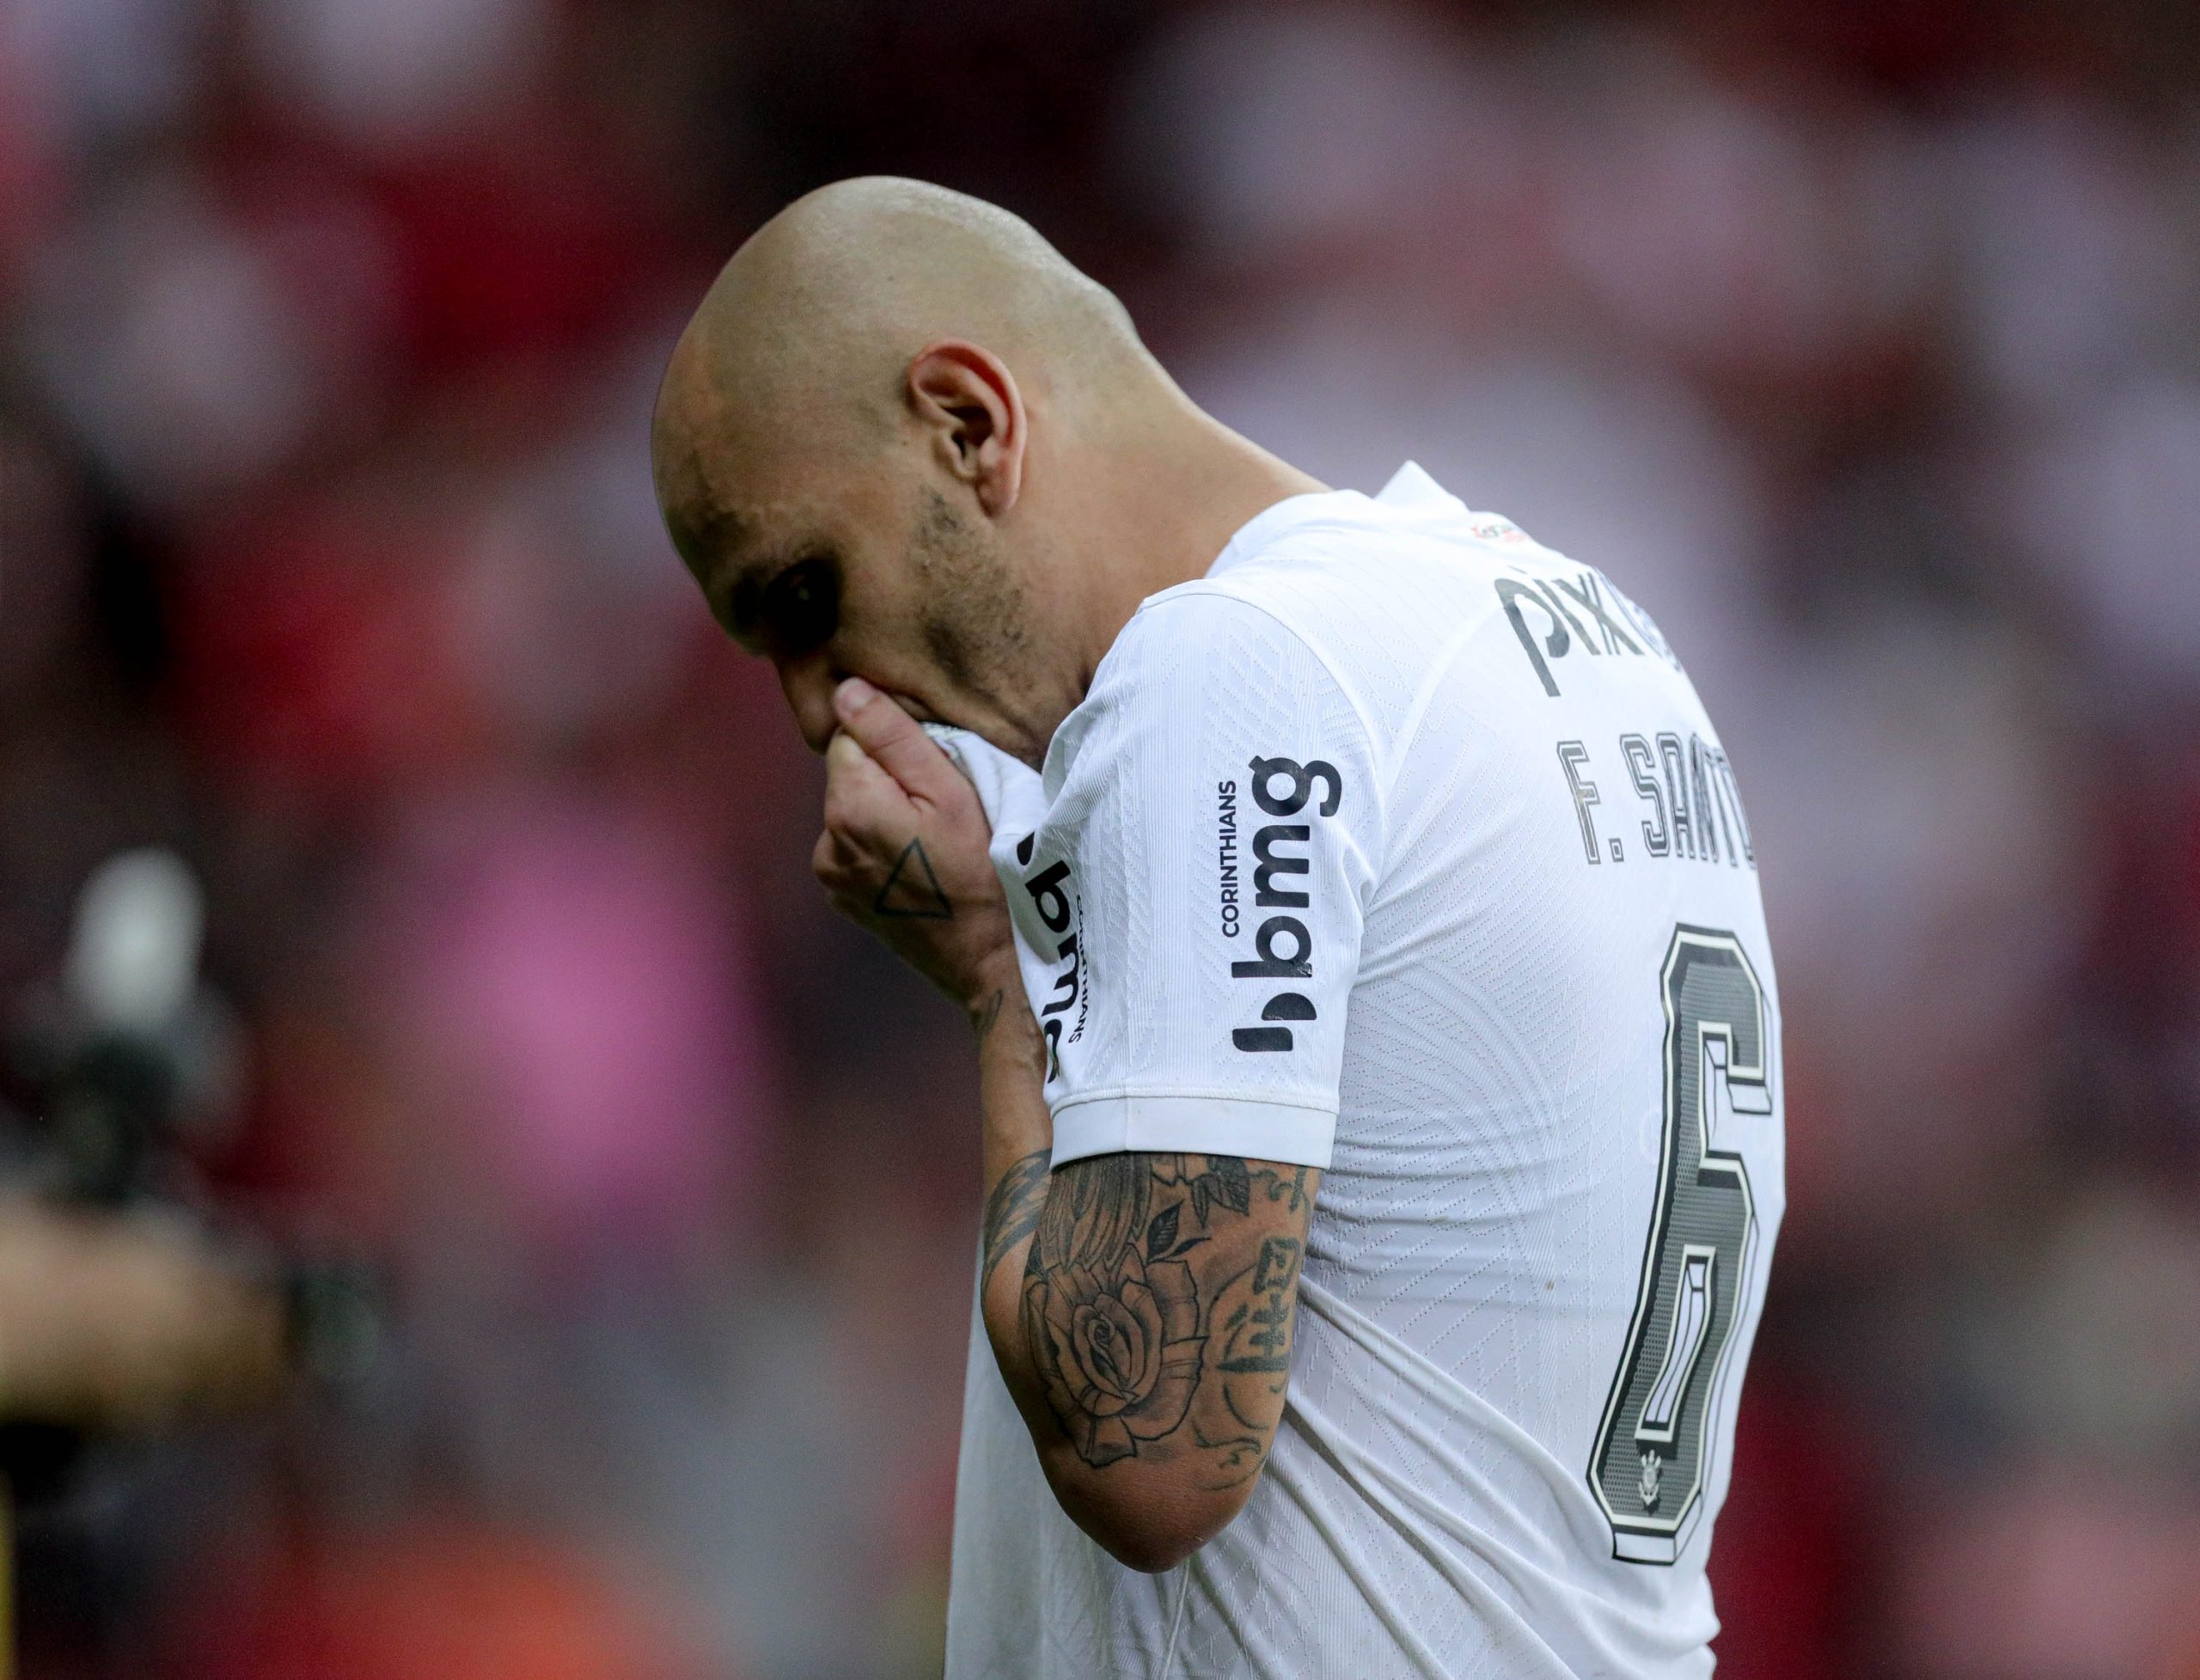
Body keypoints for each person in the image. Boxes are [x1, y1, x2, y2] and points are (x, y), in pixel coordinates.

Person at [651, 177, 1784, 1679]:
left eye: (805, 594)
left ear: (969, 424)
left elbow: (1153, 1445)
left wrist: (1002, 979)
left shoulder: (1231, 666)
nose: (813, 705)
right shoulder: (1568, 624)